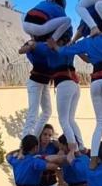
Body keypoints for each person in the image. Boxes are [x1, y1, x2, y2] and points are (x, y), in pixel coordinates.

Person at [48, 31, 102, 169]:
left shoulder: (88, 41)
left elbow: (66, 52)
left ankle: (86, 155)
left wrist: (55, 46)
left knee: (96, 122)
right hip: (98, 81)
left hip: (88, 82)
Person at [21, 30, 84, 161]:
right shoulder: (65, 47)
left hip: (61, 83)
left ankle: (76, 149)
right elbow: (22, 50)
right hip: (70, 83)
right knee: (43, 113)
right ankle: (27, 146)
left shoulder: (50, 48)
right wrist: (32, 45)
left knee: (61, 118)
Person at [19, 36, 52, 139]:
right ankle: (25, 145)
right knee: (33, 113)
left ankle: (35, 139)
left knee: (47, 111)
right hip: (35, 81)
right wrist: (31, 44)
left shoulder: (49, 43)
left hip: (45, 82)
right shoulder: (34, 43)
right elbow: (21, 50)